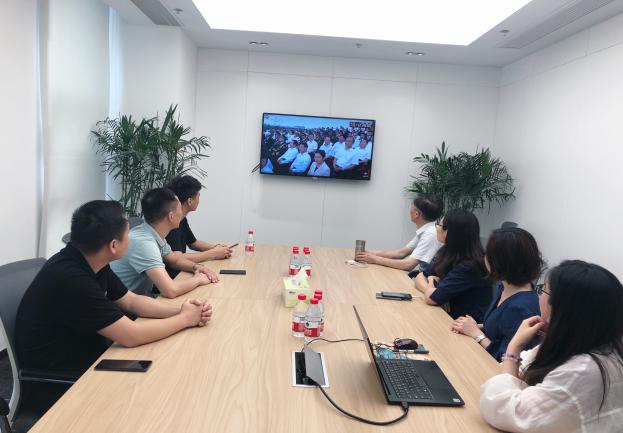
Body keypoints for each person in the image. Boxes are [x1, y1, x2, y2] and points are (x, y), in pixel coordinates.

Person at [15, 200, 213, 378]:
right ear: (113, 245)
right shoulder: (72, 279)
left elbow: (131, 301)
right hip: (63, 373)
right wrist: (185, 319)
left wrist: (181, 310)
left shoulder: (91, 259)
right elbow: (131, 335)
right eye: (128, 234)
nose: (131, 238)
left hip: (90, 350)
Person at [480, 260, 623, 433]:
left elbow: (503, 409)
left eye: (543, 290)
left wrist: (514, 347)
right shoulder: (595, 342)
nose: (539, 296)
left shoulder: (582, 371)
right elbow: (525, 368)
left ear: (561, 306)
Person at [451, 228, 543, 361]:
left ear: (498, 261)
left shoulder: (520, 309)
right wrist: (472, 326)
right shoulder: (505, 287)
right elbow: (499, 328)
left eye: (488, 254)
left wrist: (476, 334)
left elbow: (506, 358)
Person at [111, 188, 219, 298]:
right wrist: (198, 279)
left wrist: (196, 267)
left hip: (140, 298)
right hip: (122, 306)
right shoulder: (144, 243)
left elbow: (174, 260)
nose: (182, 213)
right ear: (171, 216)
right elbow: (170, 290)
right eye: (180, 208)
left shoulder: (151, 232)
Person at [414, 209, 492, 322]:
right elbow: (420, 277)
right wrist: (435, 293)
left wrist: (431, 283)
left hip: (463, 324)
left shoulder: (470, 266)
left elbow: (431, 299)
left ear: (449, 231)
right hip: (445, 315)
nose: (437, 228)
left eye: (439, 225)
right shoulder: (448, 251)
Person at [164, 175, 232, 278]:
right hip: (174, 277)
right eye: (198, 195)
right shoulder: (172, 224)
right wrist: (213, 253)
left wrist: (216, 248)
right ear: (190, 201)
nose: (199, 199)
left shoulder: (182, 219)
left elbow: (193, 243)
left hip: (182, 271)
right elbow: (177, 259)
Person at [355, 194, 442, 271]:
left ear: (416, 214)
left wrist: (375, 259)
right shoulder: (427, 230)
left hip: (427, 279)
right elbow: (400, 253)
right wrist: (371, 254)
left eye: (410, 207)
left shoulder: (430, 234)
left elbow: (408, 265)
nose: (409, 210)